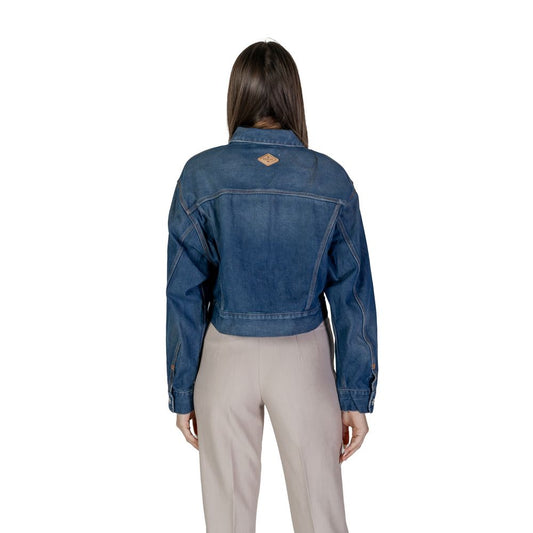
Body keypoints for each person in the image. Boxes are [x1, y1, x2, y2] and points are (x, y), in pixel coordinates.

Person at [166, 39, 378, 533]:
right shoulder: (331, 180)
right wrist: (354, 394)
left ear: (237, 95)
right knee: (320, 516)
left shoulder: (200, 175)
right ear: (293, 97)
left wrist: (182, 390)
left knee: (228, 519)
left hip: (224, 355)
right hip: (304, 358)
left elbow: (184, 291)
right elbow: (353, 296)